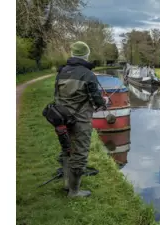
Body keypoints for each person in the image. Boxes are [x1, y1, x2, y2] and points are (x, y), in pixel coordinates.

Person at [54, 41, 108, 198]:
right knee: (80, 154)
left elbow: (56, 96)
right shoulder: (88, 74)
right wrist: (104, 102)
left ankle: (66, 183)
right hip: (80, 121)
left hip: (62, 118)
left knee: (67, 149)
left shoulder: (62, 71)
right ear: (86, 55)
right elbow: (96, 100)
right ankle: (74, 191)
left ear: (72, 54)